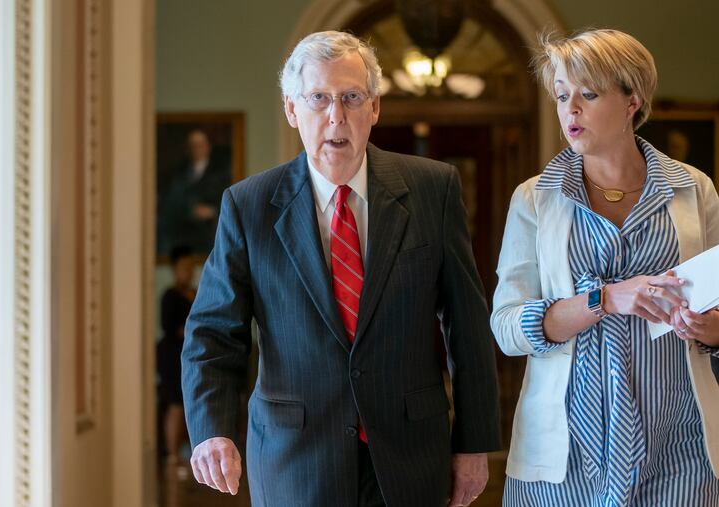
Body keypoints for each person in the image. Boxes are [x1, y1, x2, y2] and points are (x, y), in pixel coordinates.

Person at [181, 31, 500, 507]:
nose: (337, 116)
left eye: (352, 97)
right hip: (295, 457)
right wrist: (211, 430)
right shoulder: (249, 206)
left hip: (411, 452)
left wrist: (474, 443)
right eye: (319, 99)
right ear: (292, 110)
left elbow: (466, 323)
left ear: (374, 108)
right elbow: (212, 331)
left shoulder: (434, 189)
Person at [491, 29, 719, 506]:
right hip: (563, 460)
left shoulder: (695, 190)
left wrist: (707, 327)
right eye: (561, 95)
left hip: (680, 452)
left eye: (588, 95)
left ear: (632, 99)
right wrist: (604, 299)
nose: (569, 110)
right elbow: (507, 328)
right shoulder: (535, 199)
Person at [158, 129, 231, 255]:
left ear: (208, 147)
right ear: (188, 149)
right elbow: (171, 202)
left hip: (210, 230)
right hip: (185, 230)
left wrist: (212, 211)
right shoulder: (179, 173)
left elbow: (230, 200)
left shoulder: (221, 173)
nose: (197, 149)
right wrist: (189, 209)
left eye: (200, 145)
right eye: (193, 146)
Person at [157, 245, 196, 465]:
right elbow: (169, 327)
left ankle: (185, 455)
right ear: (174, 269)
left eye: (191, 267)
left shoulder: (196, 292)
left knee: (189, 405)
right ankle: (172, 456)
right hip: (172, 357)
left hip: (190, 356)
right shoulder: (169, 296)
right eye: (184, 267)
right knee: (175, 404)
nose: (188, 272)